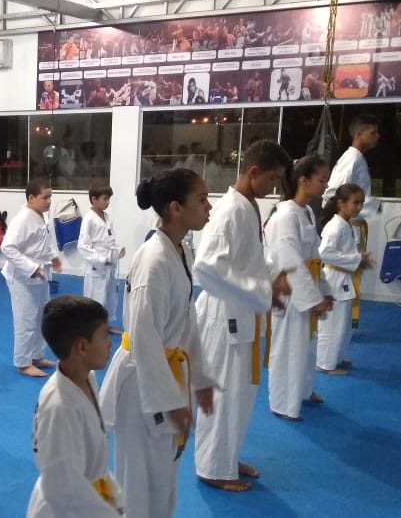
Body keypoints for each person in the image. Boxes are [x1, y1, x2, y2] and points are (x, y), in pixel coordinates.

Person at [98, 168, 214, 518]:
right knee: (138, 479)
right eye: (202, 200)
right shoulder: (154, 260)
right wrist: (168, 403)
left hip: (166, 373)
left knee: (163, 474)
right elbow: (145, 340)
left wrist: (201, 380)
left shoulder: (180, 250)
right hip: (142, 383)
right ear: (176, 208)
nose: (209, 207)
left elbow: (187, 321)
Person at [192, 139, 292, 492]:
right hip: (225, 315)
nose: (275, 186)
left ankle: (227, 457)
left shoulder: (247, 206)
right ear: (253, 172)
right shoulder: (231, 210)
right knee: (222, 394)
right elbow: (207, 265)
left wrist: (270, 276)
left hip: (243, 312)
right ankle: (211, 467)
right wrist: (261, 290)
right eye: (273, 178)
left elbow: (248, 259)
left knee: (239, 394)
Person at [27, 296, 122, 517]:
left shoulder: (87, 378)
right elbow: (63, 491)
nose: (110, 343)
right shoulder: (60, 407)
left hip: (87, 496)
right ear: (82, 346)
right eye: (104, 336)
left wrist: (115, 498)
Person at [264, 156, 334, 422]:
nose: (325, 185)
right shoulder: (285, 216)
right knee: (287, 348)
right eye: (322, 180)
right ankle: (282, 403)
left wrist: (324, 289)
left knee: (307, 345)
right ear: (303, 181)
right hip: (289, 290)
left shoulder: (305, 212)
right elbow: (289, 259)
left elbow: (314, 255)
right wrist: (313, 298)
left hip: (307, 283)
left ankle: (303, 390)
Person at [324, 115, 381, 327]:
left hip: (350, 223)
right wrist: (339, 219)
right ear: (358, 134)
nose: (377, 136)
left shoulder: (358, 159)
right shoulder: (352, 159)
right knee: (341, 273)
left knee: (350, 274)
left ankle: (344, 323)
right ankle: (332, 322)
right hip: (344, 225)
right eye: (372, 132)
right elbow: (333, 192)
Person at [2, 178, 62, 377]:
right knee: (26, 321)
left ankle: (36, 355)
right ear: (31, 198)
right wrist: (31, 268)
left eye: (50, 197)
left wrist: (53, 256)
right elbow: (7, 248)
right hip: (21, 278)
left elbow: (40, 243)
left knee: (41, 317)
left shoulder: (40, 215)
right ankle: (23, 362)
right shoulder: (22, 219)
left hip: (39, 275)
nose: (49, 201)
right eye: (45, 197)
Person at [318, 184, 375, 375]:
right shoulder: (335, 227)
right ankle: (325, 363)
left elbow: (344, 252)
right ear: (341, 203)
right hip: (334, 280)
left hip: (344, 278)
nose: (359, 207)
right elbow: (324, 253)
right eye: (355, 202)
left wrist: (358, 259)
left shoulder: (345, 224)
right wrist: (356, 259)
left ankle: (337, 357)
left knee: (345, 324)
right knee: (332, 324)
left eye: (361, 203)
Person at [77, 182, 125, 335]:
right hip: (96, 267)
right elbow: (83, 246)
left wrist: (118, 250)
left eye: (109, 199)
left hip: (109, 264)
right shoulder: (88, 219)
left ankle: (105, 325)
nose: (108, 202)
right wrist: (101, 259)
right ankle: (91, 330)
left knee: (109, 297)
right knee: (95, 298)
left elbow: (110, 240)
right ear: (94, 199)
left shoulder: (107, 217)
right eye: (105, 199)